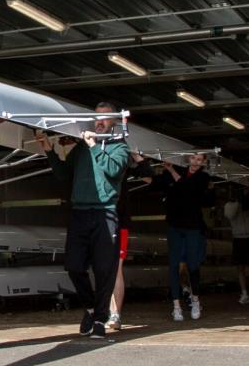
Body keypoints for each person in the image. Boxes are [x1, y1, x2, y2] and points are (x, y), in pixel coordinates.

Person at [36, 102, 130, 339]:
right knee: (74, 266)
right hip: (79, 212)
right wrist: (49, 150)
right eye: (97, 118)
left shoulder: (120, 147)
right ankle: (90, 308)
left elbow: (112, 170)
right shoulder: (80, 148)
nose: (99, 122)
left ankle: (100, 318)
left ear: (114, 122)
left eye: (105, 118)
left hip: (104, 213)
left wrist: (95, 146)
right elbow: (63, 174)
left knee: (104, 270)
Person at [152, 153, 211, 321]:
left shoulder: (203, 177)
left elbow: (188, 187)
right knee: (173, 265)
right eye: (193, 158)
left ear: (203, 163)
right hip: (174, 225)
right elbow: (156, 183)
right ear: (188, 159)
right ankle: (176, 306)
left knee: (193, 265)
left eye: (199, 160)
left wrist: (171, 170)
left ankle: (195, 300)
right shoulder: (175, 172)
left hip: (192, 226)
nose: (195, 162)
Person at [106, 153, 153, 331]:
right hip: (100, 219)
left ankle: (115, 313)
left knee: (116, 269)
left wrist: (136, 155)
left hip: (119, 221)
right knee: (104, 268)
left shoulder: (123, 162)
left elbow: (149, 177)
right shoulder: (97, 157)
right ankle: (108, 311)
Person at [224, 187, 249, 304]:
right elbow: (229, 215)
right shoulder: (231, 205)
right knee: (240, 267)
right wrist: (238, 202)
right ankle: (244, 292)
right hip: (239, 237)